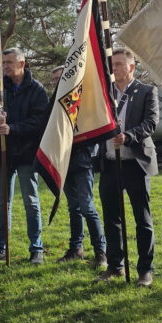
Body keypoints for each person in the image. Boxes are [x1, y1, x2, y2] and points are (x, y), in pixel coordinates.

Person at [97, 48, 159, 287]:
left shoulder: (145, 91)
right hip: (110, 163)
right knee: (112, 218)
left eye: (120, 64)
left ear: (132, 67)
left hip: (136, 163)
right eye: (113, 64)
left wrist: (129, 136)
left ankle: (145, 270)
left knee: (142, 219)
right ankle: (115, 266)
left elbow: (151, 123)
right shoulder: (105, 93)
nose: (116, 68)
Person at [0, 47, 49, 264]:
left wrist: (13, 128)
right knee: (2, 203)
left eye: (9, 62)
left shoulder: (37, 90)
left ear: (22, 64)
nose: (5, 66)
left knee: (30, 201)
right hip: (2, 154)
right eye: (3, 63)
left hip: (26, 153)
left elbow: (39, 121)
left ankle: (36, 249)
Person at [48, 65, 107, 269]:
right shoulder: (53, 105)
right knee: (73, 208)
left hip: (82, 162)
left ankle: (101, 251)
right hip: (63, 163)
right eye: (53, 80)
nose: (56, 82)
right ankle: (76, 249)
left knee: (86, 207)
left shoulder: (82, 102)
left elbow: (92, 133)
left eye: (59, 78)